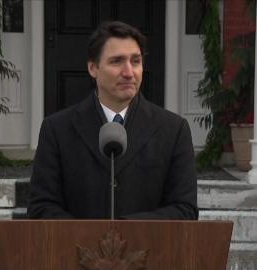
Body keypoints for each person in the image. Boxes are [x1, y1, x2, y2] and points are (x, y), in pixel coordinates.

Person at [28, 21, 198, 220]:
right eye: (116, 61)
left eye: (135, 61)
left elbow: (184, 210)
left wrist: (124, 231)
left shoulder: (174, 130)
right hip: (77, 250)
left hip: (150, 249)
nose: (128, 72)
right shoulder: (57, 129)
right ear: (93, 68)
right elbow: (41, 208)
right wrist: (90, 237)